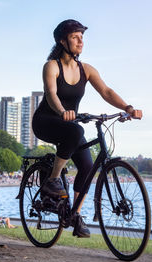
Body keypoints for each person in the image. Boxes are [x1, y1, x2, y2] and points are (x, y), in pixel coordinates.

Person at [32, 19, 142, 238]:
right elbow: (51, 93)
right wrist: (63, 111)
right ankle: (53, 180)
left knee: (87, 166)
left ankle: (74, 214)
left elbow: (107, 92)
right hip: (46, 121)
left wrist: (128, 107)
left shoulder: (87, 69)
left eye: (82, 36)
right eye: (75, 36)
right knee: (76, 131)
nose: (80, 41)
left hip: (69, 124)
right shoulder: (52, 66)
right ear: (63, 40)